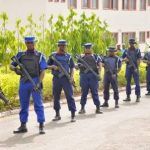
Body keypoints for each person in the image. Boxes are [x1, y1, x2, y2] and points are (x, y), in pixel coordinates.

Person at [10, 36, 47, 134]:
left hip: (35, 80)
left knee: (38, 104)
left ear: (34, 43)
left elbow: (43, 71)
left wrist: (38, 82)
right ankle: (23, 125)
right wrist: (15, 69)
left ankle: (41, 125)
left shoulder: (40, 55)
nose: (30, 44)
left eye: (32, 43)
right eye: (28, 43)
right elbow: (11, 65)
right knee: (23, 104)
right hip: (24, 81)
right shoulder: (20, 55)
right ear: (26, 43)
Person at [47, 40, 76, 122]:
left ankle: (73, 115)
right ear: (58, 46)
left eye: (64, 46)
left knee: (70, 96)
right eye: (61, 46)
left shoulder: (69, 56)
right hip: (57, 78)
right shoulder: (53, 55)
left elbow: (72, 67)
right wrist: (52, 66)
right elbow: (45, 65)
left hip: (66, 79)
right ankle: (57, 114)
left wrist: (71, 77)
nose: (63, 47)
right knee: (56, 96)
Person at [77, 43, 103, 114]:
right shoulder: (81, 56)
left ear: (91, 49)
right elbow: (77, 65)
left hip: (93, 76)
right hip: (84, 76)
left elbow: (100, 63)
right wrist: (80, 65)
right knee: (84, 92)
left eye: (89, 48)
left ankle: (98, 108)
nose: (88, 49)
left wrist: (99, 72)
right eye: (86, 48)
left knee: (94, 92)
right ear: (84, 49)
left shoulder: (95, 56)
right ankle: (82, 108)